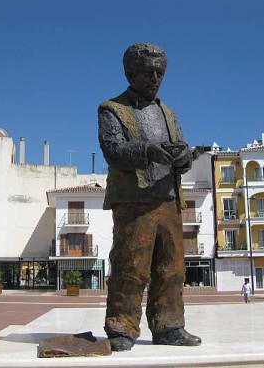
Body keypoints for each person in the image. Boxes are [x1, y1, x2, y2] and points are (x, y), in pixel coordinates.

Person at [98, 43, 199, 352]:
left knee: (172, 268)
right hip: (134, 202)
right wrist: (149, 151)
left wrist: (183, 157)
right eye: (148, 72)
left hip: (168, 200)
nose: (155, 78)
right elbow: (113, 151)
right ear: (130, 73)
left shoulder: (168, 113)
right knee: (131, 266)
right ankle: (121, 326)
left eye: (160, 72)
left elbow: (182, 153)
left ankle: (169, 326)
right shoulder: (112, 109)